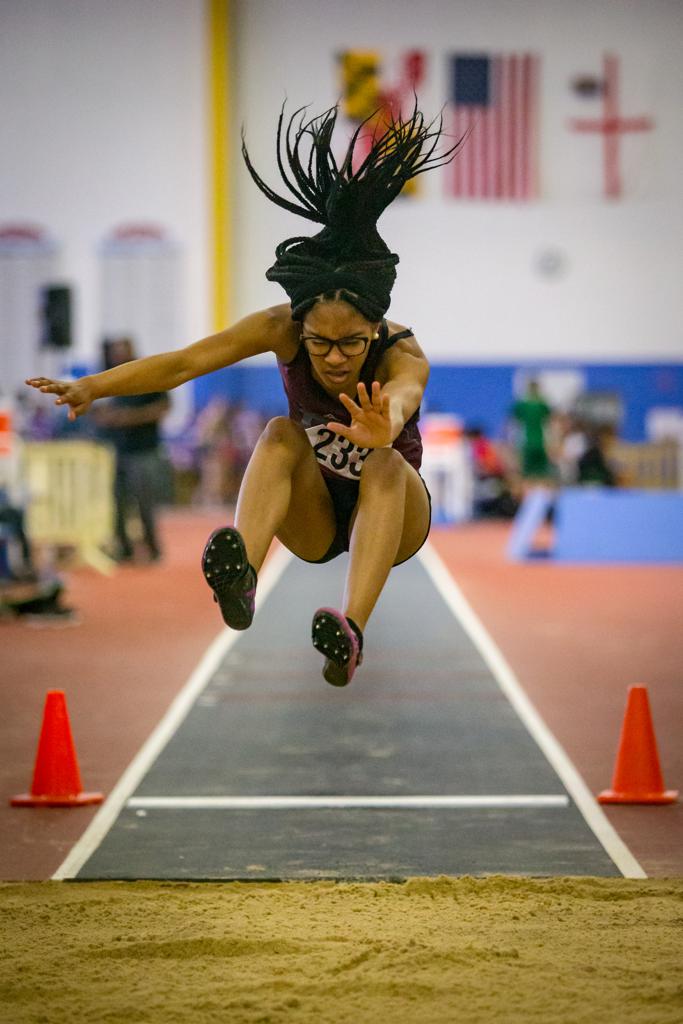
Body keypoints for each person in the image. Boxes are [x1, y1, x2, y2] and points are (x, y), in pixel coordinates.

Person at [26, 103, 461, 686]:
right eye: (319, 344)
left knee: (381, 464)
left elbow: (408, 391)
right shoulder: (278, 327)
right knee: (279, 432)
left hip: (393, 515)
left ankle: (350, 630)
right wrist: (93, 386)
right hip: (313, 514)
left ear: (376, 330)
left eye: (351, 344)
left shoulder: (402, 352)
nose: (333, 358)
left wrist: (390, 421)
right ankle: (242, 577)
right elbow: (185, 362)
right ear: (298, 328)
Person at [95, 338, 171, 562]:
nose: (118, 356)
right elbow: (99, 409)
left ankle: (153, 548)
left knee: (145, 504)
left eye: (122, 351)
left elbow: (163, 408)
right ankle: (125, 548)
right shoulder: (110, 376)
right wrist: (105, 417)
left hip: (144, 451)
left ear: (132, 351)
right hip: (118, 450)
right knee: (118, 502)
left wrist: (130, 418)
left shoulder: (150, 374)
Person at [511, 378, 553, 481]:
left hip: (533, 440)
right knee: (537, 471)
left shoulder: (524, 405)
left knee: (532, 471)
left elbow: (515, 422)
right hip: (534, 440)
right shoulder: (541, 405)